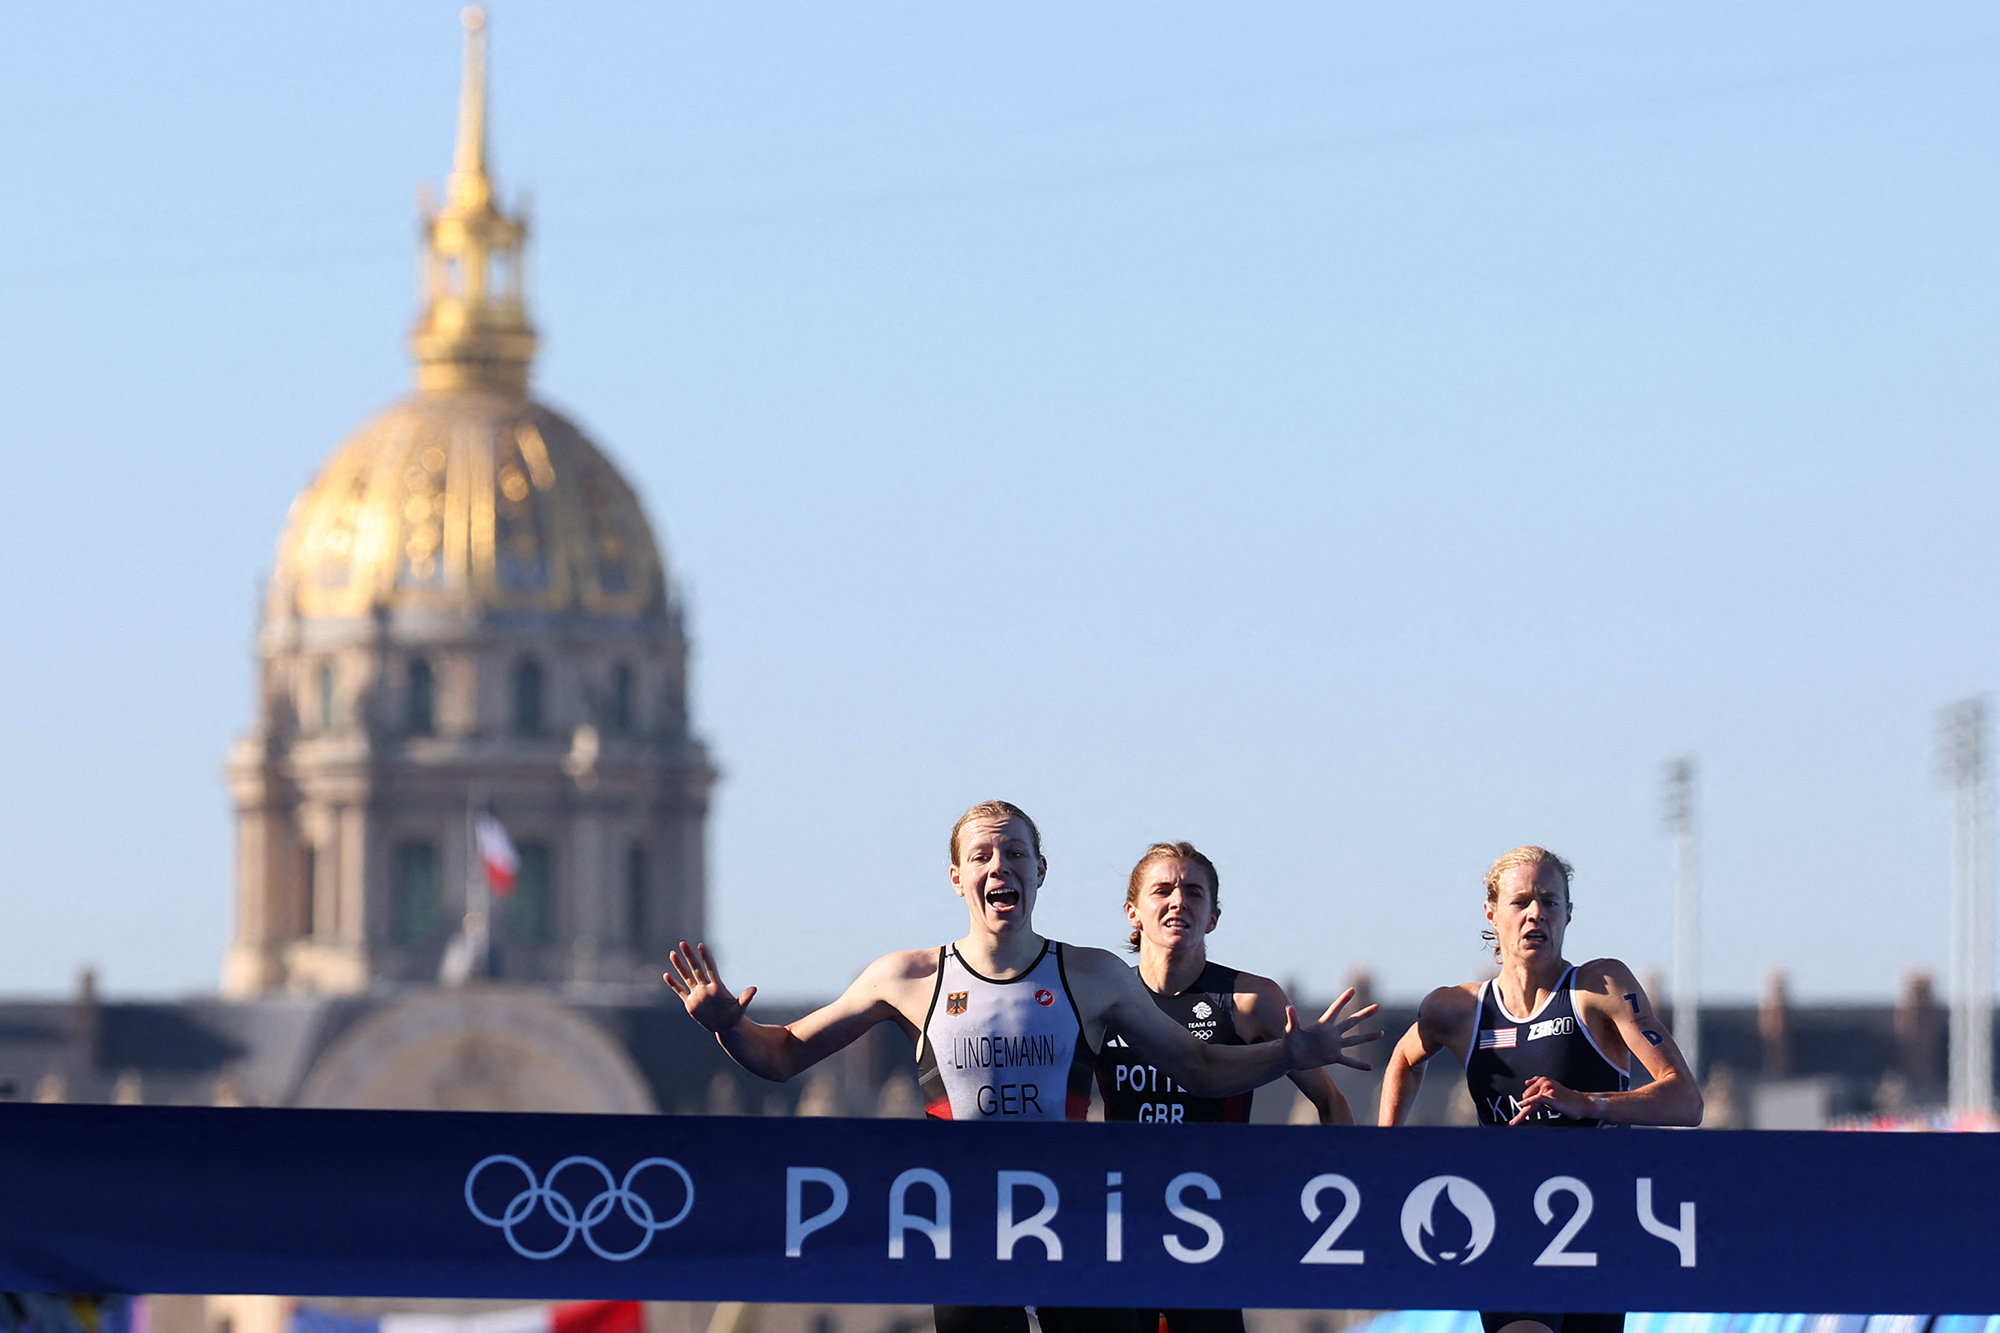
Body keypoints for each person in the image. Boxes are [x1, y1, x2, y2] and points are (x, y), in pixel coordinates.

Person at [665, 800, 1381, 1333]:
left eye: (1014, 853)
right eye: (981, 855)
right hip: (967, 1227)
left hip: (1074, 1224)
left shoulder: (1095, 974)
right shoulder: (908, 975)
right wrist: (730, 1024)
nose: (998, 866)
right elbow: (783, 1054)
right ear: (956, 877)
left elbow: (1196, 1066)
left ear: (1040, 871)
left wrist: (1289, 1052)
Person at [1376, 845, 1704, 1333]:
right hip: (1508, 1214)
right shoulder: (1456, 1009)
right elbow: (1405, 1059)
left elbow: (1685, 1101)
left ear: (1568, 914)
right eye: (1521, 901)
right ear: (1492, 913)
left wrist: (1583, 1102)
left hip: (1599, 1217)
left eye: (1550, 902)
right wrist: (1383, 1152)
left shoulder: (1599, 986)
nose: (1537, 913)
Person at [1096, 841, 1361, 1333]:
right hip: (1123, 1222)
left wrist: (1334, 1207)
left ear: (1213, 917)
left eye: (1194, 893)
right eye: (1163, 890)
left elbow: (1331, 1101)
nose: (1179, 902)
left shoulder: (1248, 1000)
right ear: (1133, 913)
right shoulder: (1102, 1000)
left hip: (1209, 1227)